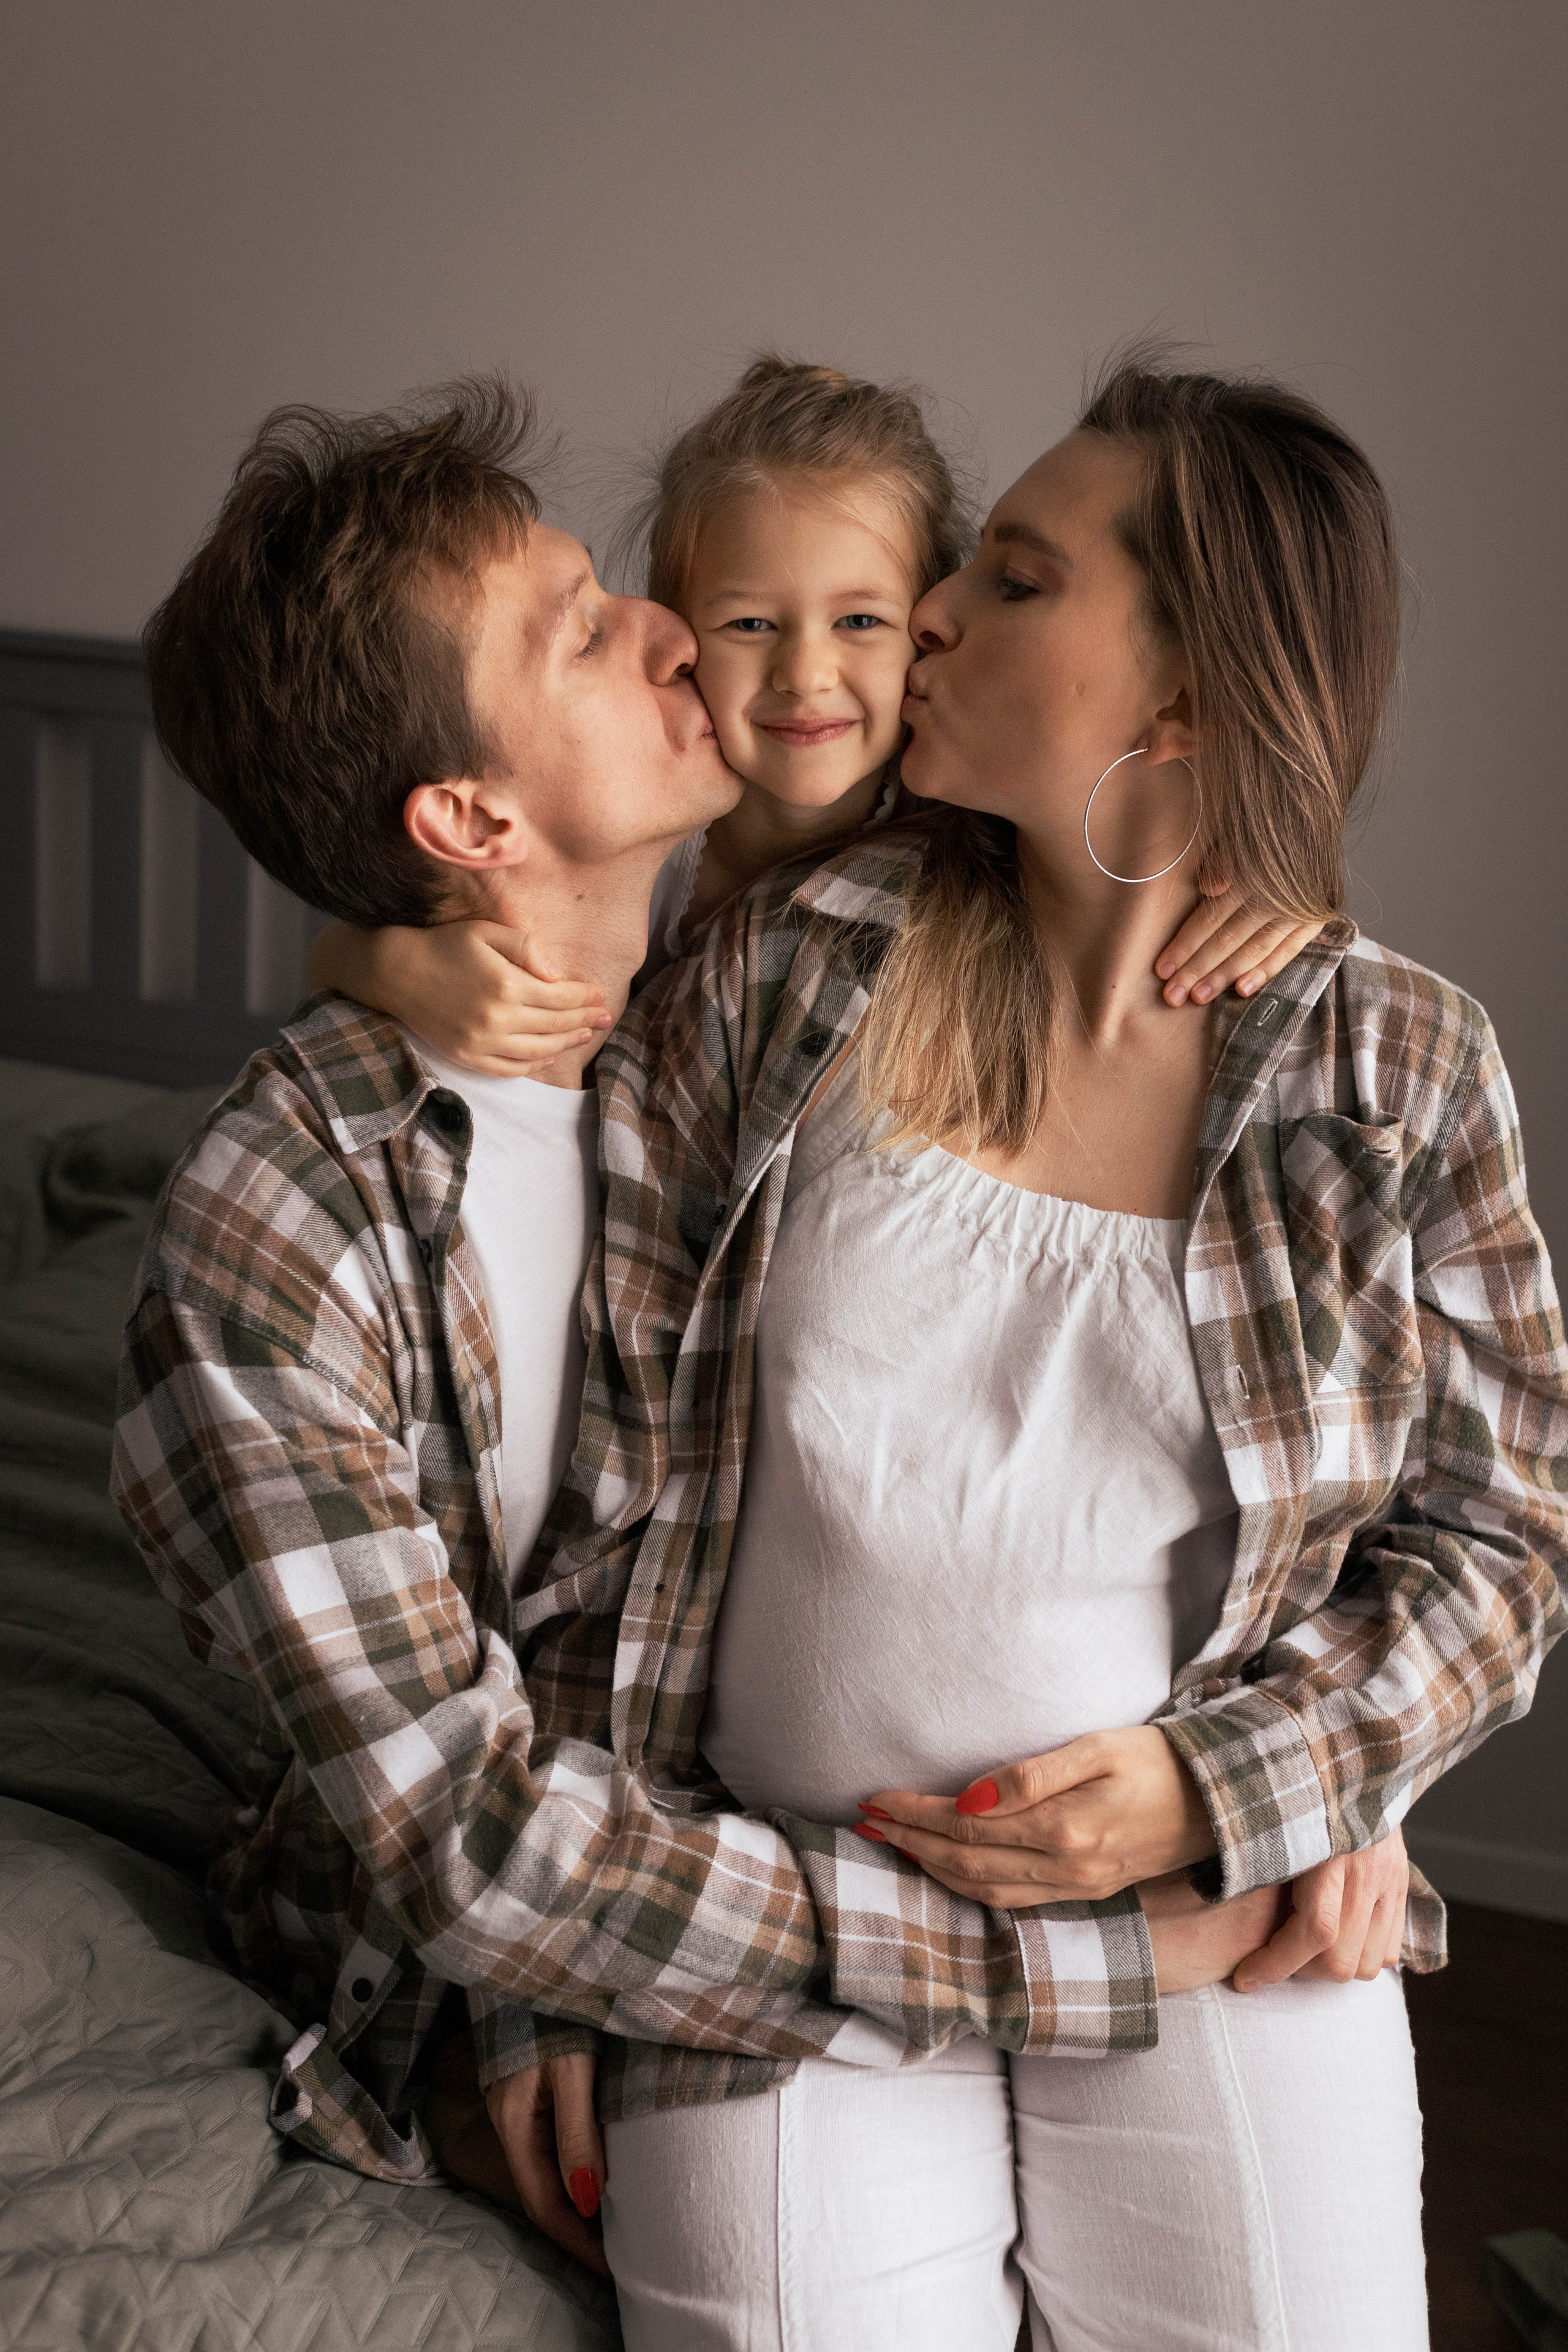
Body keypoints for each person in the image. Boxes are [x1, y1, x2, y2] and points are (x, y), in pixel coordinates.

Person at [373, 356, 1567, 2347]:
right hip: (770, 1899)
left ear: (1181, 696)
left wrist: (1241, 1786)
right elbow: (601, 1486)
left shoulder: (1394, 1068)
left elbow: (1507, 1541)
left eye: (1011, 578)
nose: (927, 611)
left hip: (1210, 1912)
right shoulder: (781, 966)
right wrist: (549, 1971)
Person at [110, 376, 1305, 2286]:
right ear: (471, 813)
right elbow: (465, 1834)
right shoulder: (284, 1242)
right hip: (546, 1891)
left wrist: (1325, 1768)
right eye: (589, 629)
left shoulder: (742, 1018)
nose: (682, 633)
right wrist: (1062, 1960)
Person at [316, 358, 1321, 1075]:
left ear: (926, 624)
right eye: (751, 621)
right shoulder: (639, 848)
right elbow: (418, 918)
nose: (805, 674)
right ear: (676, 626)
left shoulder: (969, 848)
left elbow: (1135, 880)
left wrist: (1280, 890)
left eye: (860, 621)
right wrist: (387, 959)